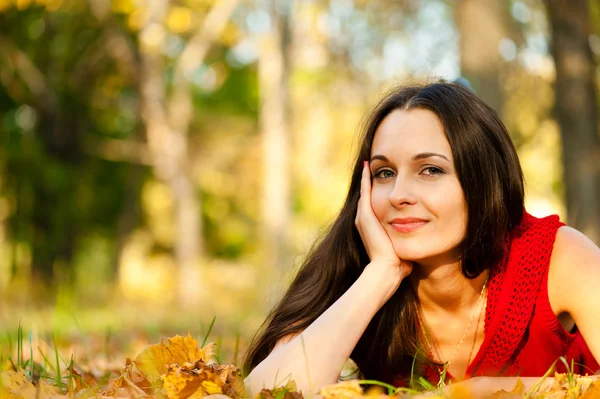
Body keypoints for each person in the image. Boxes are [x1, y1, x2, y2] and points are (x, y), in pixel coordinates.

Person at [242, 82, 600, 395]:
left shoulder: (557, 256)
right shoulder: (357, 263)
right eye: (384, 173)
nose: (399, 194)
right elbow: (269, 392)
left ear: (483, 180)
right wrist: (380, 275)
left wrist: (475, 392)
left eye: (430, 170)